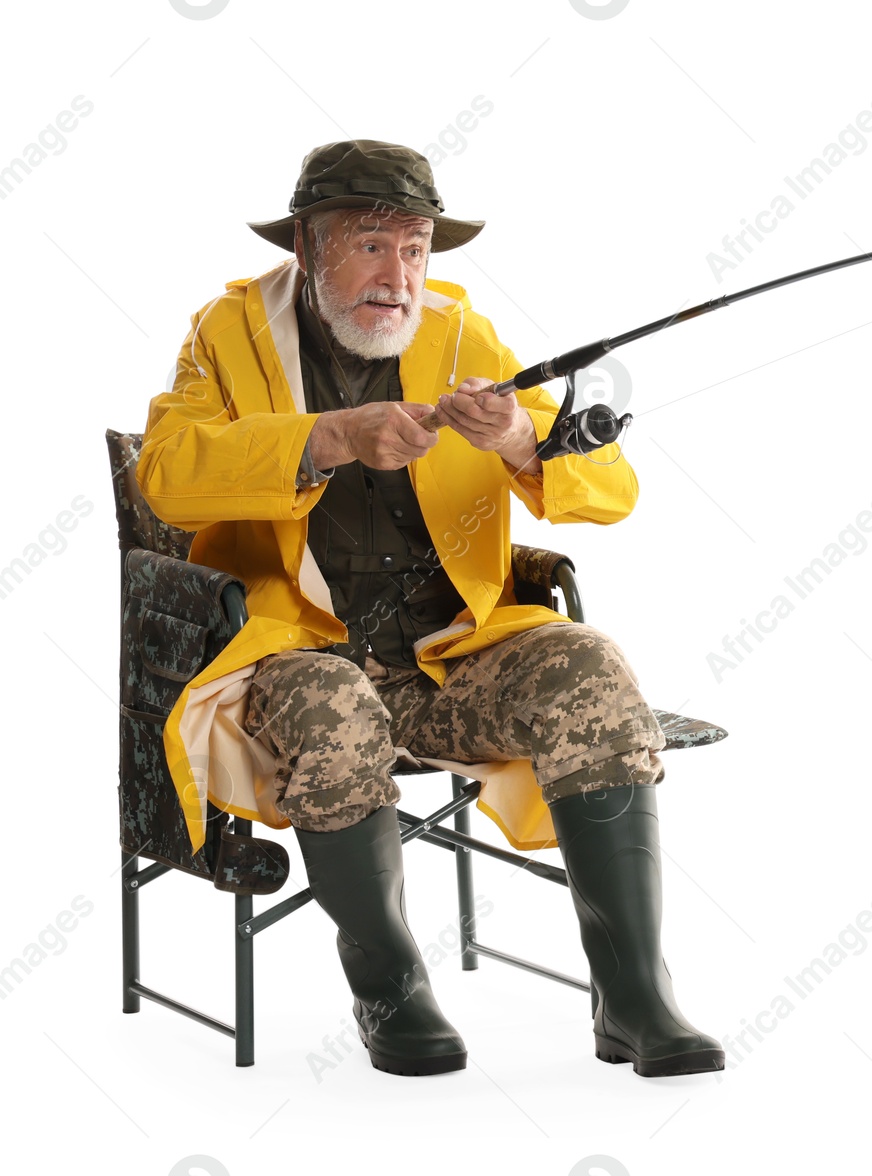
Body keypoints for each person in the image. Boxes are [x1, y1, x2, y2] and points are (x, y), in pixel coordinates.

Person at [136, 139, 722, 1078]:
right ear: (306, 243)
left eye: (413, 249)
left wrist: (525, 438)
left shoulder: (462, 334)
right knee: (335, 710)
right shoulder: (225, 332)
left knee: (591, 667)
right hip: (301, 655)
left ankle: (635, 996)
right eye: (371, 244)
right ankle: (390, 988)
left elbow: (616, 492)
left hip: (449, 658)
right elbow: (165, 478)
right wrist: (328, 439)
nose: (398, 275)